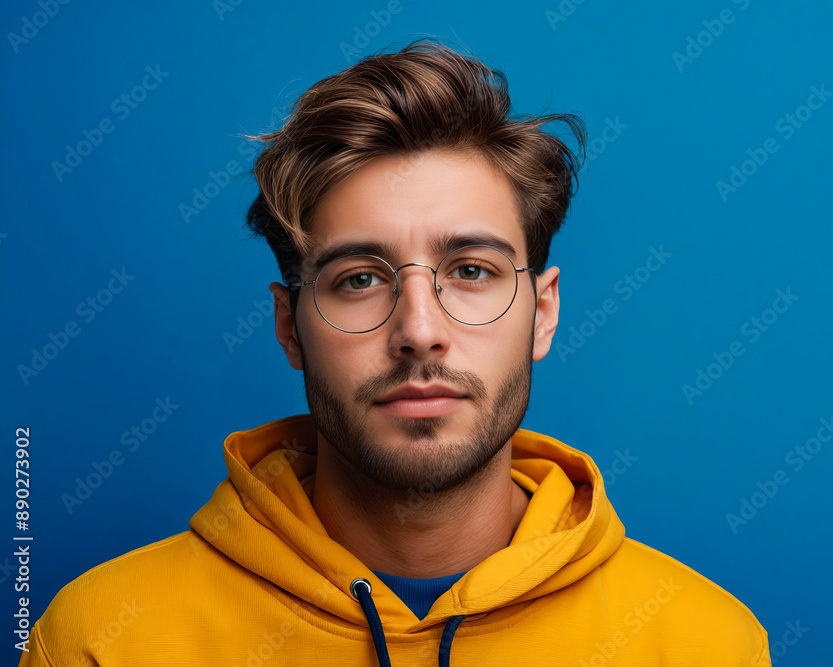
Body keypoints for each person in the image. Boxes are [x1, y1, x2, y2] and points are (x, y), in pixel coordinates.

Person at [20, 39, 770, 666]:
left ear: (543, 313)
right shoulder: (100, 639)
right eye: (359, 279)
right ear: (289, 327)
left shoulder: (705, 643)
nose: (418, 329)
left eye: (470, 270)